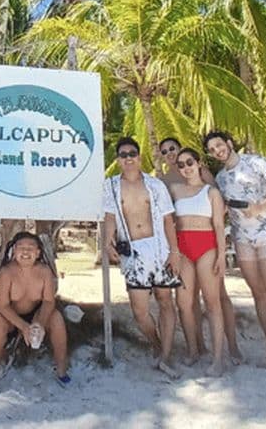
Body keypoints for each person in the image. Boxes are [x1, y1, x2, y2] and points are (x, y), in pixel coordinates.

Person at [204, 130, 266, 378]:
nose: (217, 151)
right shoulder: (220, 178)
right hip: (242, 239)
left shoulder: (256, 161)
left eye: (219, 145)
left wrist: (260, 208)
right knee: (259, 295)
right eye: (212, 150)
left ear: (228, 143)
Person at [103, 136, 183, 380]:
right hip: (134, 253)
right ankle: (157, 343)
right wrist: (108, 241)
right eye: (123, 155)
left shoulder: (155, 185)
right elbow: (109, 216)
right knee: (139, 310)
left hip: (159, 249)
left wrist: (174, 252)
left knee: (165, 300)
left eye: (132, 154)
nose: (128, 158)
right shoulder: (111, 186)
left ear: (139, 157)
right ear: (118, 160)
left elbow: (169, 219)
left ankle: (166, 355)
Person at [0, 231, 69, 396]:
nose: (25, 252)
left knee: (57, 319)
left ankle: (61, 371)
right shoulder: (7, 273)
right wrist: (24, 327)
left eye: (30, 248)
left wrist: (39, 323)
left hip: (36, 313)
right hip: (10, 315)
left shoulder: (44, 272)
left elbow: (48, 301)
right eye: (21, 248)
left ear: (38, 253)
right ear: (14, 251)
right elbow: (3, 305)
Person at [170, 148, 227, 376]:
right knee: (184, 303)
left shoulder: (211, 192)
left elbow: (219, 225)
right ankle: (194, 351)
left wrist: (222, 255)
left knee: (212, 303)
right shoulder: (174, 190)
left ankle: (217, 358)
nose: (186, 167)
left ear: (199, 162)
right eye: (181, 165)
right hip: (182, 248)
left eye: (189, 162)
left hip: (207, 247)